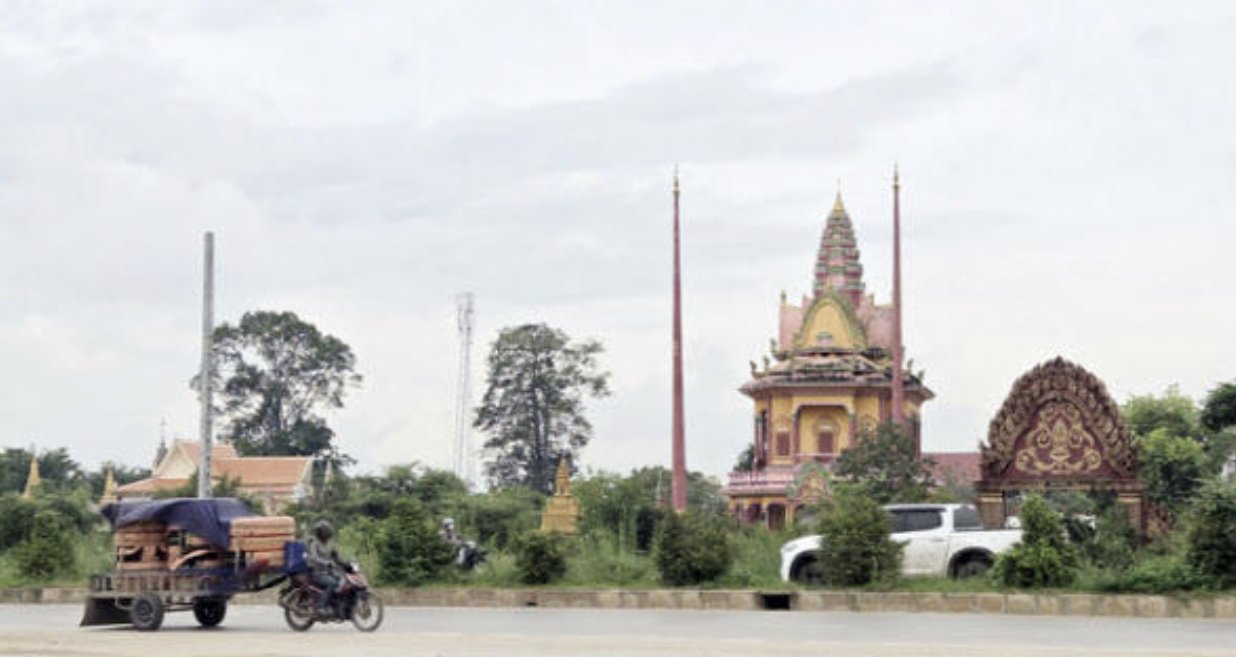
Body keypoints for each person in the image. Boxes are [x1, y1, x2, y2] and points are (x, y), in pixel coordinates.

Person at [306, 520, 343, 612]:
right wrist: (327, 563)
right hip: (317, 573)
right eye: (326, 532)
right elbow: (315, 558)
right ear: (321, 533)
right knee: (332, 583)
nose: (327, 535)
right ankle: (322, 606)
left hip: (327, 572)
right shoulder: (314, 544)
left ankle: (334, 605)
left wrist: (337, 559)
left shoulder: (325, 545)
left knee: (341, 581)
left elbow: (331, 557)